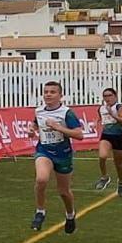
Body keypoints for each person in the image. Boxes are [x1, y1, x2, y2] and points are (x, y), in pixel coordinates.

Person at [31, 80, 82, 233]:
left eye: (52, 92)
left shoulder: (67, 113)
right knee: (41, 179)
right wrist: (31, 129)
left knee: (64, 191)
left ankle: (70, 215)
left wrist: (58, 127)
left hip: (63, 154)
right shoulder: (39, 111)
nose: (48, 95)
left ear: (60, 95)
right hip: (44, 151)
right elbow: (35, 124)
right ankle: (40, 212)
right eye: (46, 92)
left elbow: (79, 135)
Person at [94, 86, 122, 195]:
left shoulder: (118, 107)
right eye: (105, 96)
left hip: (118, 136)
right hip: (106, 135)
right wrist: (97, 123)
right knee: (102, 156)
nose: (107, 98)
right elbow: (100, 119)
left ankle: (121, 182)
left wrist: (113, 114)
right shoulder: (101, 108)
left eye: (110, 95)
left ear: (115, 96)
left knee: (118, 164)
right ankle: (104, 177)